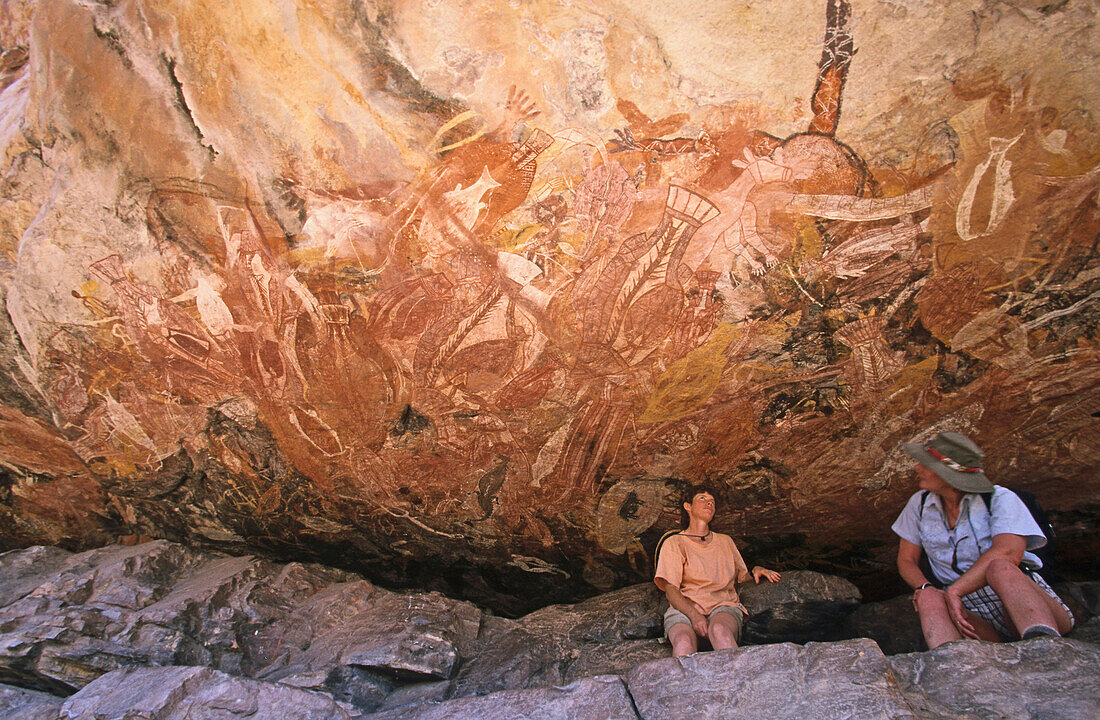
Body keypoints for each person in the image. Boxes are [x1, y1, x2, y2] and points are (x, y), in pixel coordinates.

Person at [892, 431, 1074, 649]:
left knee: (1000, 567)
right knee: (927, 597)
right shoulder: (919, 504)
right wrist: (926, 586)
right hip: (964, 610)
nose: (917, 468)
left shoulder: (1000, 498)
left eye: (926, 464)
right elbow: (906, 559)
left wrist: (956, 590)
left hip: (1017, 598)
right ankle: (952, 663)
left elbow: (1009, 552)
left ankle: (1046, 648)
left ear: (946, 475)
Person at [654, 486, 781, 657]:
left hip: (723, 606)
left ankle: (737, 681)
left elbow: (742, 579)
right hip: (684, 610)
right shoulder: (674, 542)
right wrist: (695, 616)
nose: (709, 504)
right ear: (687, 506)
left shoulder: (725, 541)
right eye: (702, 499)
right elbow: (671, 590)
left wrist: (757, 570)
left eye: (712, 502)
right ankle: (685, 684)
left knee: (719, 630)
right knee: (683, 642)